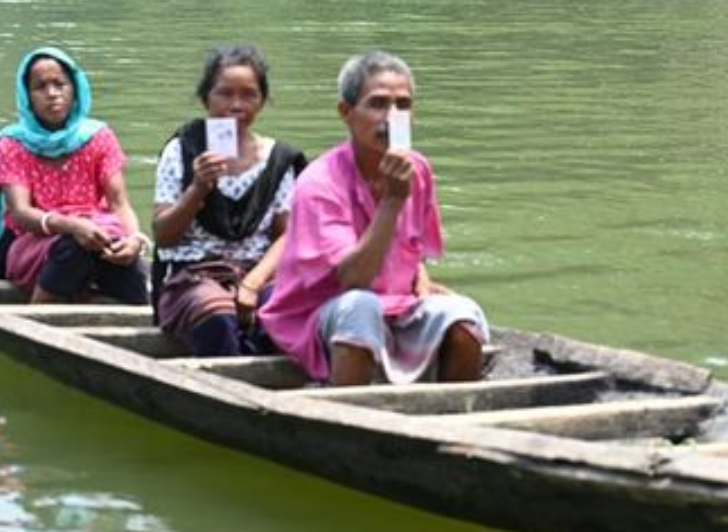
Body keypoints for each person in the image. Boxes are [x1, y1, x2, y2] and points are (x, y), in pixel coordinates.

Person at [258, 53, 487, 386]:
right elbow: (353, 279)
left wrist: (422, 284)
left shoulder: (417, 169)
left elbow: (412, 249)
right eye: (377, 104)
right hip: (321, 312)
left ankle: (457, 414)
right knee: (360, 307)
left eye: (403, 106)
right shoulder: (319, 182)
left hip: (396, 305)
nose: (392, 118)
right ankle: (351, 417)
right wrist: (393, 200)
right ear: (346, 113)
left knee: (462, 314)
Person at [150, 45, 305, 357]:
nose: (236, 105)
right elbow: (164, 235)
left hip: (257, 272)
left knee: (292, 310)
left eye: (249, 95)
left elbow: (287, 236)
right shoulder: (182, 150)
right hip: (193, 274)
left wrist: (252, 283)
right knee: (217, 312)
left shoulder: (279, 160)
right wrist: (198, 188)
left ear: (262, 100)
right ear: (206, 98)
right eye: (225, 94)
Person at [0, 49, 146, 305]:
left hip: (95, 235)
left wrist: (134, 240)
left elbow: (120, 204)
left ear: (75, 90)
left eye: (60, 84)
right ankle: (37, 315)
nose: (52, 94)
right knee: (73, 248)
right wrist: (72, 226)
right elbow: (21, 213)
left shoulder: (99, 136)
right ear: (27, 96)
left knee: (125, 261)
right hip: (31, 243)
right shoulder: (13, 143)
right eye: (41, 87)